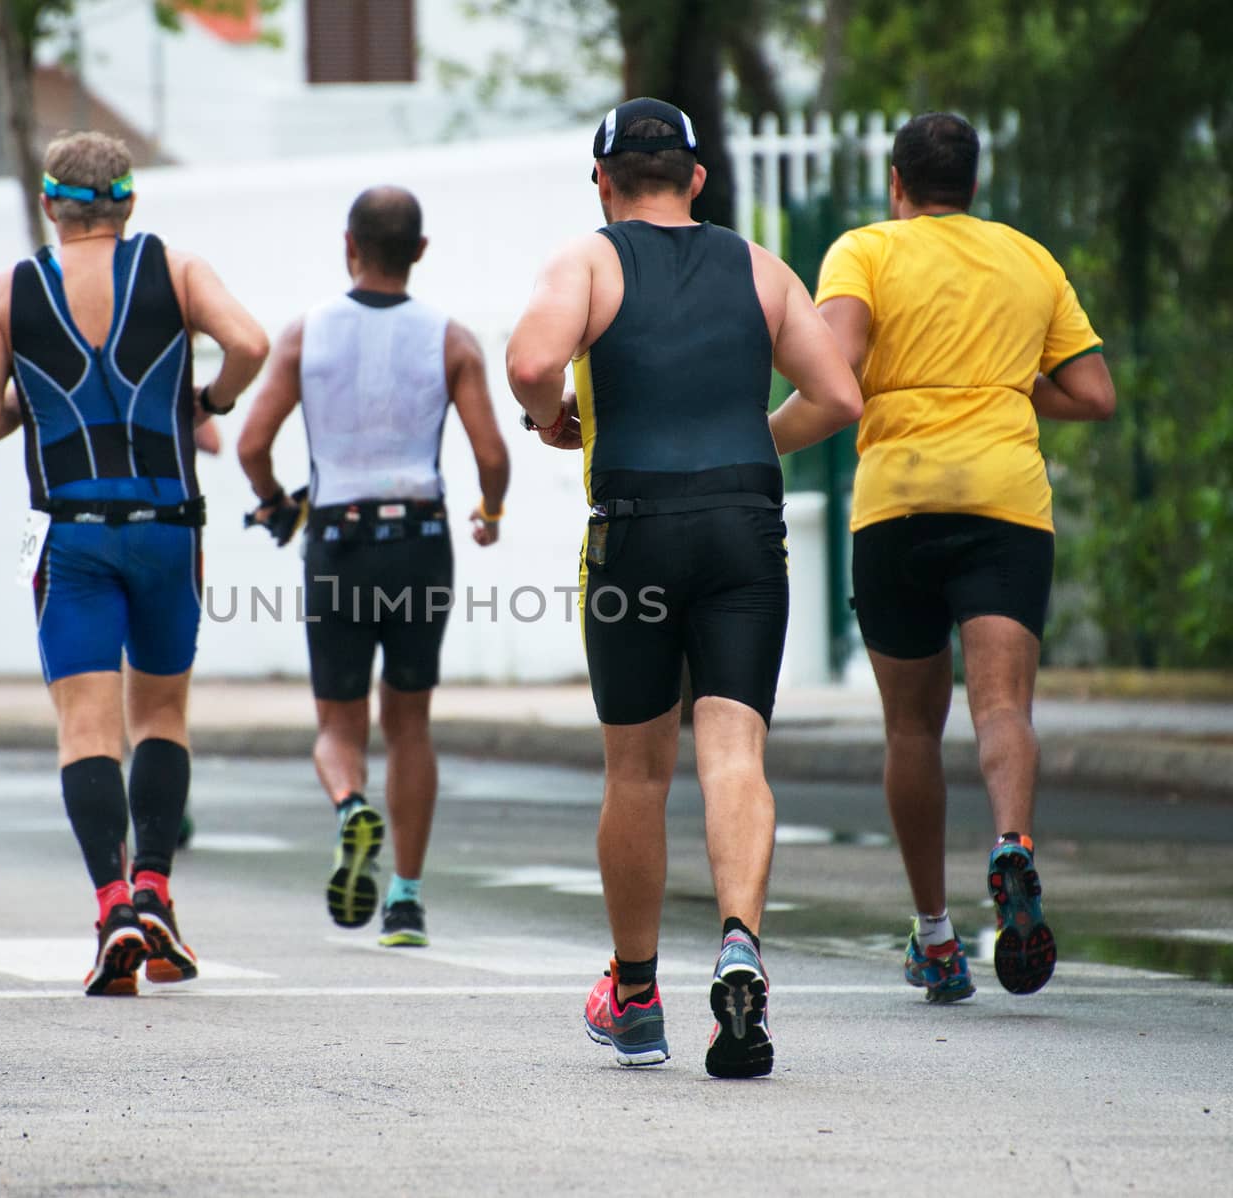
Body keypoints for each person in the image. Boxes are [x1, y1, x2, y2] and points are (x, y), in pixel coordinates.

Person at [506, 99, 862, 1076]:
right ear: (696, 177)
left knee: (638, 772)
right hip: (744, 528)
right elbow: (837, 395)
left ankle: (634, 992)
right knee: (735, 750)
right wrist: (758, 441)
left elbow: (532, 360)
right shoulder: (761, 267)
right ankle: (740, 942)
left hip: (635, 536)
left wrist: (553, 420)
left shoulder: (587, 260)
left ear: (603, 180)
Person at [799, 112, 1115, 1003]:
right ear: (974, 186)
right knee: (1003, 706)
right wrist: (1005, 385)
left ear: (897, 184)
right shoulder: (1028, 258)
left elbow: (839, 369)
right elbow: (1094, 392)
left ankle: (935, 937)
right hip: (1006, 504)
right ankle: (1012, 844)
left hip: (897, 504)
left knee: (910, 729)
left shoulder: (863, 251)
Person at [0, 131, 269, 996]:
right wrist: (208, 400)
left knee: (87, 728)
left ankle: (114, 908)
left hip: (73, 534)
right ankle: (160, 889)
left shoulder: (10, 293)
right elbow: (251, 342)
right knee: (162, 713)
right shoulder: (175, 268)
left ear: (52, 205)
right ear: (128, 202)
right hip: (170, 526)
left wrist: (28, 390)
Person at [237, 186, 510, 948]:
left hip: (338, 539)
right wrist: (490, 513)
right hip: (420, 538)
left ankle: (351, 804)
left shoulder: (305, 334)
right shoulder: (452, 339)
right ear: (419, 251)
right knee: (411, 721)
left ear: (348, 246)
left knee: (337, 722)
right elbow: (493, 455)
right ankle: (408, 900)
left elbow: (252, 445)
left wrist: (278, 505)